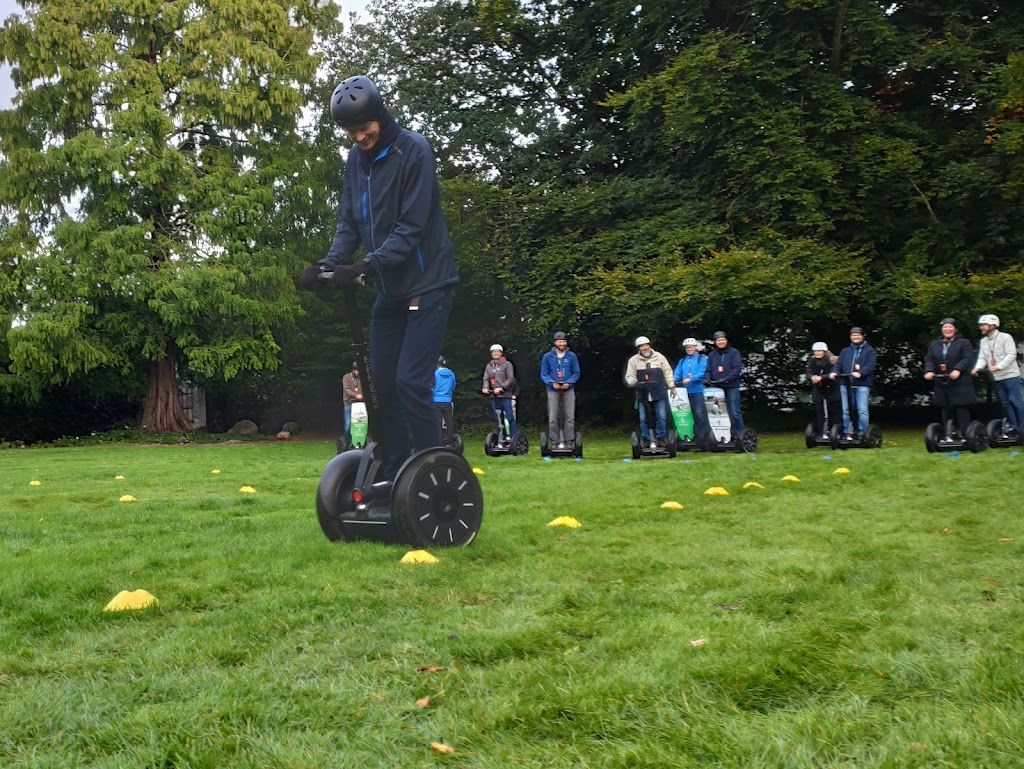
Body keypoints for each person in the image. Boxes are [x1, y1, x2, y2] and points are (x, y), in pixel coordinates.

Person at [297, 75, 458, 480]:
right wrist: (328, 266)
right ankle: (398, 468)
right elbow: (349, 223)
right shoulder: (357, 160)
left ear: (380, 116)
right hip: (390, 288)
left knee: (410, 383)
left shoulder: (414, 151)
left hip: (429, 282)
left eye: (362, 127)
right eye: (349, 132)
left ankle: (432, 471)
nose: (357, 137)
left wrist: (366, 266)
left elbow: (411, 227)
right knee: (380, 384)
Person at [971, 313, 1023, 438]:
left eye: (984, 325)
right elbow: (983, 357)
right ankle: (1013, 427)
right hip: (998, 377)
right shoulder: (984, 341)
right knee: (1005, 403)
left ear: (993, 325)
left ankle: (1022, 427)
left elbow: (1011, 355)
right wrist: (977, 367)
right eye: (981, 325)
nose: (981, 327)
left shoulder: (1006, 337)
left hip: (1011, 375)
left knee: (1016, 402)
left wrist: (998, 366)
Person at [923, 318, 976, 435]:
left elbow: (967, 358)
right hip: (942, 380)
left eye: (950, 327)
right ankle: (949, 434)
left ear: (955, 329)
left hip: (960, 381)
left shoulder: (964, 343)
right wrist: (929, 371)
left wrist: (958, 369)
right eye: (945, 327)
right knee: (945, 409)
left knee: (961, 408)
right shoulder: (935, 344)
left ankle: (966, 435)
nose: (948, 329)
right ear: (942, 330)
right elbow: (929, 359)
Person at [625, 336, 675, 449]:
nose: (645, 347)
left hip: (659, 391)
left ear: (649, 345)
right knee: (643, 418)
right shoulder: (633, 360)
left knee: (661, 416)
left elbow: (667, 371)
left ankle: (661, 438)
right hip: (643, 393)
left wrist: (671, 386)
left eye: (646, 345)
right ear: (639, 348)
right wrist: (633, 383)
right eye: (642, 346)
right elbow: (630, 376)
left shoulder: (659, 357)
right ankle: (646, 439)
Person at [830, 327, 876, 440]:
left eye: (858, 335)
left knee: (862, 410)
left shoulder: (870, 350)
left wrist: (861, 373)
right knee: (845, 410)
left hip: (862, 384)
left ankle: (863, 434)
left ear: (863, 336)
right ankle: (847, 433)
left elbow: (870, 365)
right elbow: (839, 364)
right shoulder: (845, 351)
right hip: (845, 384)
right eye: (853, 335)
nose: (855, 337)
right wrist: (834, 372)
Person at [539, 331, 580, 448]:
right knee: (553, 417)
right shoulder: (548, 356)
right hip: (553, 390)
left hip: (568, 389)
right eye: (560, 341)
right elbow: (544, 373)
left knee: (569, 417)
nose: (562, 343)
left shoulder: (571, 356)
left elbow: (576, 372)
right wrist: (552, 383)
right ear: (555, 342)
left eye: (564, 341)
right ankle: (554, 442)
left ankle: (569, 441)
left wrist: (569, 382)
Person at [705, 331, 745, 439]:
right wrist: (707, 379)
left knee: (734, 412)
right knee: (720, 413)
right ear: (715, 342)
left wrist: (727, 379)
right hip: (717, 388)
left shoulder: (734, 352)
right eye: (718, 340)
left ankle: (740, 435)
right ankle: (723, 435)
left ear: (726, 341)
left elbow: (737, 369)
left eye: (723, 340)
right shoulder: (712, 354)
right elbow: (708, 369)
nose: (721, 342)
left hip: (731, 386)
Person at [673, 338, 709, 440]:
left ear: (695, 347)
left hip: (698, 390)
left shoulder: (701, 359)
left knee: (699, 413)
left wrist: (691, 378)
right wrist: (673, 380)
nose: (689, 349)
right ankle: (691, 435)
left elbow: (702, 373)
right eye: (687, 347)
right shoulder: (682, 361)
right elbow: (677, 373)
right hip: (685, 392)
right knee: (689, 414)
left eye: (691, 347)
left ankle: (703, 436)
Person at [482, 344, 519, 439]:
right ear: (491, 353)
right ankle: (501, 437)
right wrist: (485, 388)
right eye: (494, 352)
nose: (496, 353)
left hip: (506, 395)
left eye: (498, 351)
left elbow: (511, 379)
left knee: (510, 418)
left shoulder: (507, 364)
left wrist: (502, 388)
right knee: (498, 418)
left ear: (501, 353)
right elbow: (486, 378)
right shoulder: (489, 366)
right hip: (494, 395)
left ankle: (513, 437)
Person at [806, 342, 841, 437]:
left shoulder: (833, 360)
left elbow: (833, 373)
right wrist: (812, 377)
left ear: (824, 351)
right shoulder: (812, 361)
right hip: (819, 388)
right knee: (820, 410)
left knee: (833, 410)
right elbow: (809, 372)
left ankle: (835, 431)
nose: (817, 353)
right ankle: (822, 432)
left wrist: (822, 377)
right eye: (816, 351)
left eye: (820, 351)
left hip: (832, 388)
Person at [432, 356, 456, 447]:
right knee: (449, 421)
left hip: (436, 400)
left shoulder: (435, 373)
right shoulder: (451, 373)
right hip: (447, 400)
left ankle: (439, 441)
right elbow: (453, 387)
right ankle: (450, 441)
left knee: (437, 421)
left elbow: (432, 387)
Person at [341, 361, 363, 446]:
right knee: (348, 424)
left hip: (360, 404)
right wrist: (356, 395)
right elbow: (346, 389)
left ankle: (359, 442)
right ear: (353, 370)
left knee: (360, 424)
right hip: (349, 404)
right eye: (357, 370)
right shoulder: (346, 377)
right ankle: (347, 442)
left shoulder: (362, 378)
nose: (358, 372)